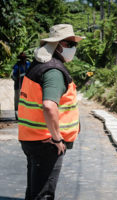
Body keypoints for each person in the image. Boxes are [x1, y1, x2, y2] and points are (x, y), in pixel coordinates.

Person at [18, 24, 84, 200]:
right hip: (47, 142)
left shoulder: (38, 65)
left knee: (34, 192)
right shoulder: (54, 71)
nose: (74, 49)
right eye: (72, 44)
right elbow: (49, 105)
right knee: (43, 195)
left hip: (31, 137)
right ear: (60, 44)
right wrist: (57, 138)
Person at [11, 52, 30, 119]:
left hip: (27, 86)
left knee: (27, 100)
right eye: (22, 58)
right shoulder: (16, 66)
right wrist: (18, 77)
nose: (23, 60)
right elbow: (13, 76)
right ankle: (17, 114)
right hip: (18, 86)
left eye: (24, 58)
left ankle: (26, 114)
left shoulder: (29, 64)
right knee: (18, 100)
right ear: (20, 59)